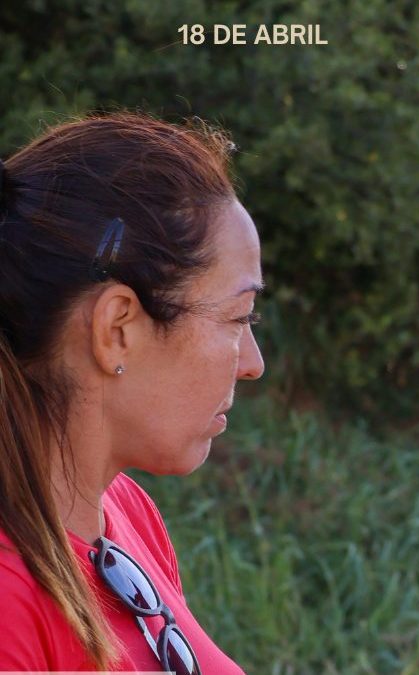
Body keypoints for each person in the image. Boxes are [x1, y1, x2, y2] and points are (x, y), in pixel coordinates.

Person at [0, 113, 264, 673]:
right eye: (238, 318)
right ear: (116, 329)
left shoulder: (122, 510)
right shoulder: (9, 614)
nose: (253, 365)